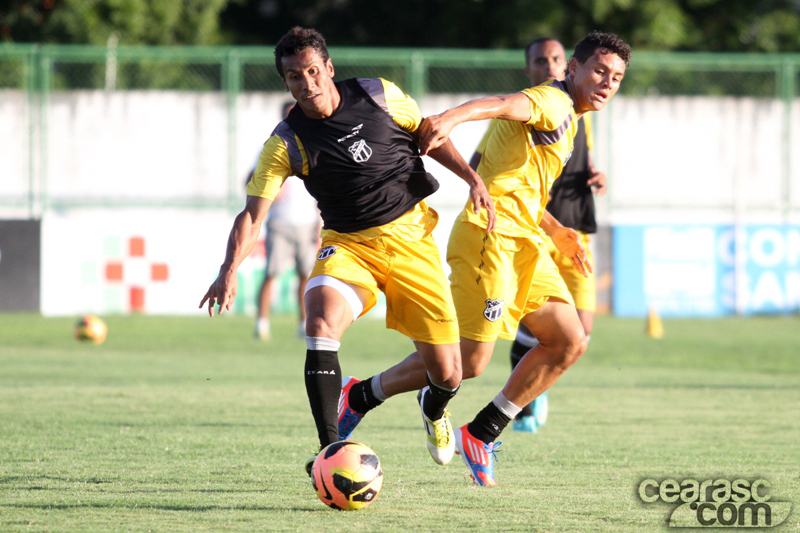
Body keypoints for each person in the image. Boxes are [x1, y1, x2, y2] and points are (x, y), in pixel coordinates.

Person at [199, 27, 495, 474]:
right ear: (286, 83)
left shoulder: (380, 95)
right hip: (348, 245)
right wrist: (229, 268)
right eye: (295, 77)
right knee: (318, 317)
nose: (307, 83)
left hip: (412, 240)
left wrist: (473, 180)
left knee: (450, 373)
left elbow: (430, 135)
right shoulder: (286, 143)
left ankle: (432, 406)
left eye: (313, 71)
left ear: (329, 68)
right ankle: (330, 451)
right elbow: (253, 215)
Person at [339, 31, 630, 486]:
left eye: (616, 77)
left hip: (526, 242)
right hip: (489, 241)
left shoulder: (570, 117)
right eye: (599, 71)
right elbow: (501, 103)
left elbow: (521, 191)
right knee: (468, 364)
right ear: (572, 68)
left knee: (569, 340)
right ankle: (360, 396)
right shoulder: (551, 102)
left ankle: (482, 432)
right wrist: (451, 117)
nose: (608, 82)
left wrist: (559, 232)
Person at [470, 37, 608, 433]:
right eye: (539, 60)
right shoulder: (525, 110)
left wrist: (597, 176)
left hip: (573, 226)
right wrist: (479, 190)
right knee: (542, 330)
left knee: (581, 331)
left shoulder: (582, 111)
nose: (548, 65)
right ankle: (523, 399)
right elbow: (480, 161)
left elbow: (583, 159)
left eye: (555, 58)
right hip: (533, 227)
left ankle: (529, 386)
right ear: (528, 69)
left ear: (571, 65)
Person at [252, 102, 322, 341]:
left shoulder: (316, 142)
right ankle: (261, 323)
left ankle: (303, 324)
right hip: (280, 222)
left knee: (306, 275)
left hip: (305, 222)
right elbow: (249, 181)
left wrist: (319, 222)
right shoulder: (274, 145)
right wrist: (267, 186)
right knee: (271, 272)